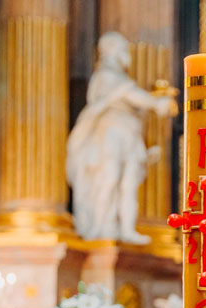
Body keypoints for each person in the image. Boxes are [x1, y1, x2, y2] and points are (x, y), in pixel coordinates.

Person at [66, 32, 176, 244]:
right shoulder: (105, 76)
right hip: (111, 134)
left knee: (129, 183)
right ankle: (99, 225)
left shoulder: (121, 79)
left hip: (129, 134)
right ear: (111, 51)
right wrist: (156, 103)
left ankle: (126, 228)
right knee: (110, 177)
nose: (127, 54)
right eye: (123, 49)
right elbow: (131, 94)